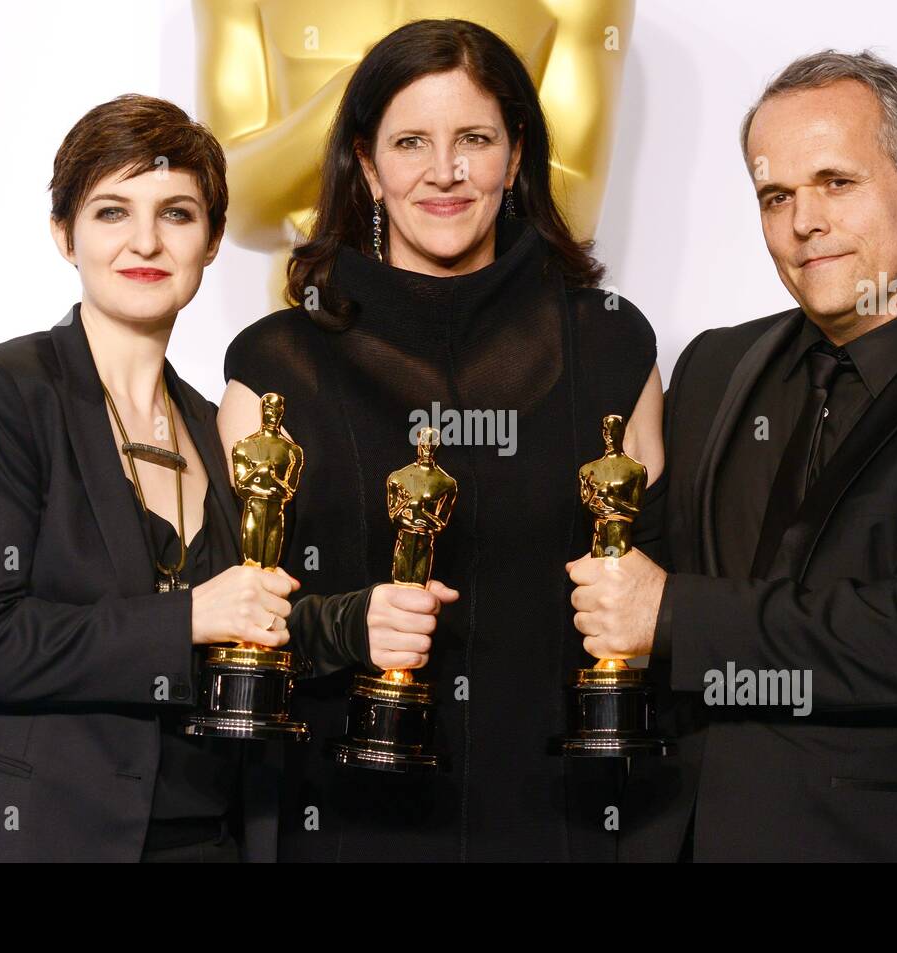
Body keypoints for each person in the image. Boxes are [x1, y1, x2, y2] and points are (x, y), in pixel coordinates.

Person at [567, 50, 897, 861]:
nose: (803, 221)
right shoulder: (714, 364)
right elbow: (635, 573)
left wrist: (672, 613)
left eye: (836, 182)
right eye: (775, 195)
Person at [219, 18, 664, 862]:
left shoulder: (611, 346)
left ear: (516, 153)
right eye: (411, 141)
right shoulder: (278, 363)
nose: (445, 171)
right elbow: (235, 634)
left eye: (474, 139)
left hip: (562, 824)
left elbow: (658, 587)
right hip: (345, 821)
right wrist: (351, 627)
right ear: (366, 164)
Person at [0, 94, 297, 862]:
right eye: (111, 212)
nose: (146, 240)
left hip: (200, 838)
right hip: (21, 838)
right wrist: (187, 619)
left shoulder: (219, 430)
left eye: (176, 213)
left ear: (211, 241)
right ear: (64, 234)